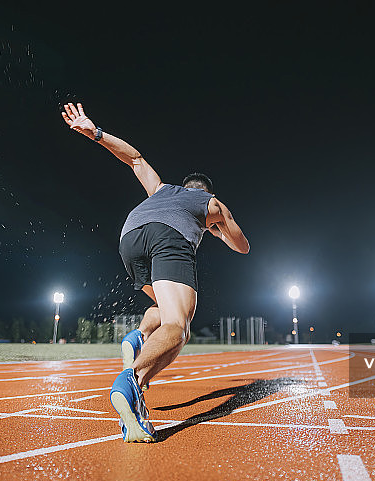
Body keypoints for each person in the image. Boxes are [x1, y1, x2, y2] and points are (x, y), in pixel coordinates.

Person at [61, 103, 250, 442]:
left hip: (130, 235)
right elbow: (242, 246)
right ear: (206, 191)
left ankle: (139, 337)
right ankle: (131, 382)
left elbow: (135, 159)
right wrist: (217, 227)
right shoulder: (212, 204)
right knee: (179, 327)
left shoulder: (161, 189)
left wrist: (96, 133)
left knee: (164, 310)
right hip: (167, 239)